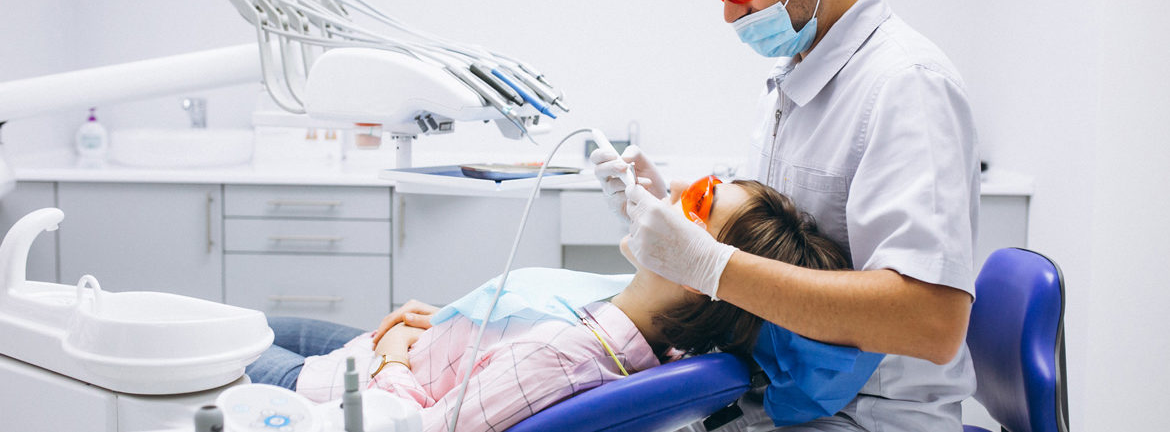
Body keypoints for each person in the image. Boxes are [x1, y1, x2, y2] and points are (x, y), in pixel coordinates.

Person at [590, 0, 981, 431]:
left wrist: (711, 265)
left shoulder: (906, 86)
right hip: (780, 396)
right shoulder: (792, 77)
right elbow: (768, 250)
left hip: (864, 415)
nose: (731, 14)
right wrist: (671, 213)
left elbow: (932, 322)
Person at [246, 178, 859, 432]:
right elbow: (514, 350)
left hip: (348, 392)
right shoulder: (649, 329)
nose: (671, 194)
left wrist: (392, 355)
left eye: (697, 201)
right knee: (264, 325)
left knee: (230, 337)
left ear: (701, 274)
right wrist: (462, 323)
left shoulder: (564, 359)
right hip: (420, 352)